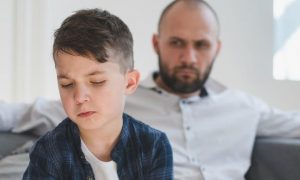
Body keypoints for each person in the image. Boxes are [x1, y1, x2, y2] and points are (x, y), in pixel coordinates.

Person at [0, 0, 300, 179]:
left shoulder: (244, 107)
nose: (189, 57)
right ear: (157, 44)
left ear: (216, 48)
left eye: (201, 45)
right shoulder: (110, 99)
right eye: (177, 42)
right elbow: (18, 114)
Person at [21, 8, 173, 180]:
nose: (79, 97)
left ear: (129, 82)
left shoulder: (154, 145)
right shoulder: (48, 152)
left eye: (97, 82)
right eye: (67, 84)